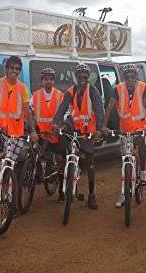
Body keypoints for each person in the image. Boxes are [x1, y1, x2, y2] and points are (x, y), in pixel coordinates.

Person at [51, 63, 103, 210]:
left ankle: (92, 196)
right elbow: (62, 108)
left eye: (85, 76)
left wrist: (98, 129)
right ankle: (61, 162)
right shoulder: (71, 91)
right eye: (79, 76)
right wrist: (55, 122)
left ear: (88, 77)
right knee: (62, 131)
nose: (82, 78)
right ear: (76, 76)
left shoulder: (94, 92)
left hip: (87, 130)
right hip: (73, 124)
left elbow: (99, 111)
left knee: (90, 164)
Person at [101, 63, 146, 208]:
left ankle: (142, 172)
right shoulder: (118, 89)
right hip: (124, 130)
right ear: (124, 78)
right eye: (127, 77)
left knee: (141, 143)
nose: (130, 79)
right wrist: (104, 126)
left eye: (133, 76)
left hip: (139, 127)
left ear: (136, 77)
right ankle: (124, 194)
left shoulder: (142, 88)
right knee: (125, 162)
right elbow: (110, 106)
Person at [0, 56, 38, 182]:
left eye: (17, 69)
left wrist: (32, 130)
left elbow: (27, 111)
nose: (15, 71)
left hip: (15, 130)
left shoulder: (22, 88)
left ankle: (10, 184)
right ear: (6, 69)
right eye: (12, 68)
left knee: (15, 160)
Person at [30, 67, 65, 198]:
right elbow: (28, 108)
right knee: (35, 154)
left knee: (60, 159)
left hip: (54, 133)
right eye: (46, 79)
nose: (48, 81)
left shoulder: (60, 95)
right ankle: (37, 173)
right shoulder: (36, 95)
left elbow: (61, 115)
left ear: (53, 81)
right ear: (42, 81)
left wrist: (57, 127)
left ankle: (61, 189)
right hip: (40, 132)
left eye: (51, 79)